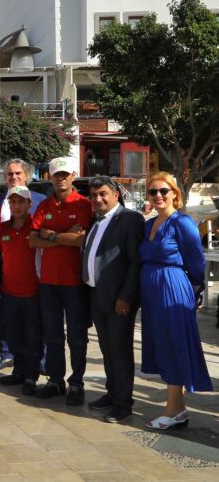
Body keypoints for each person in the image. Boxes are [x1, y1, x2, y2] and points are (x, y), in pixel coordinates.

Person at [139, 172, 212, 430]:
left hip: (172, 287)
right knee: (163, 344)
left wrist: (196, 288)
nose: (158, 196)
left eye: (163, 191)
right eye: (153, 192)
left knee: (174, 343)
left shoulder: (182, 222)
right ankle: (178, 409)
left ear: (175, 194)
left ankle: (172, 409)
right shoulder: (149, 224)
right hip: (152, 291)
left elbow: (196, 259)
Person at [29, 157, 92, 405]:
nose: (61, 178)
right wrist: (62, 236)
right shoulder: (44, 206)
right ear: (50, 177)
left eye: (65, 174)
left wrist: (50, 233)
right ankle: (56, 380)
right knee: (53, 335)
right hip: (49, 281)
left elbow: (79, 240)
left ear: (73, 175)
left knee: (77, 336)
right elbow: (33, 241)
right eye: (57, 175)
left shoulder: (84, 204)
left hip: (74, 282)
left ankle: (76, 382)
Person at [82, 176, 144, 423]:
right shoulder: (96, 220)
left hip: (119, 299)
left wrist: (126, 296)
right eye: (94, 195)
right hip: (97, 295)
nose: (98, 199)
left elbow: (135, 262)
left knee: (120, 351)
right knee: (107, 349)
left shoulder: (130, 220)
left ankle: (123, 402)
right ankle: (112, 392)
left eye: (103, 194)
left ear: (116, 195)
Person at [0, 158, 46, 371]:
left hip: (31, 264)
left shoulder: (40, 201)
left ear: (27, 176)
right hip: (1, 262)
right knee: (6, 312)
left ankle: (39, 360)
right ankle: (7, 354)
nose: (14, 177)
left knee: (34, 317)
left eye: (18, 174)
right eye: (10, 174)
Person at [0, 186, 41, 396]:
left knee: (32, 337)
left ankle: (31, 376)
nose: (17, 206)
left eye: (21, 202)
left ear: (29, 204)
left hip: (32, 293)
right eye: (13, 202)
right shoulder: (3, 229)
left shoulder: (37, 226)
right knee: (13, 337)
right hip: (9, 292)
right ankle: (19, 371)